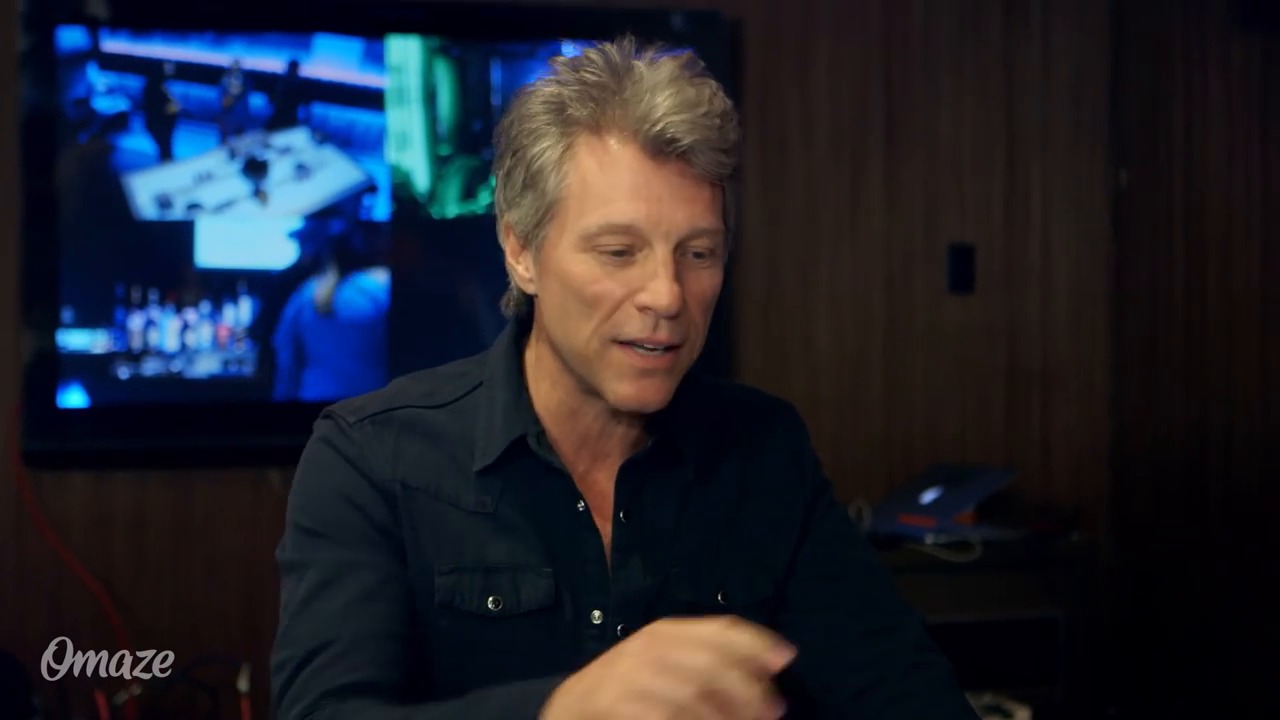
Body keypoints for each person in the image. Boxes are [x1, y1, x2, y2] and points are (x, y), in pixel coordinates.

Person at [270, 36, 980, 720]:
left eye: (698, 254)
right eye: (619, 251)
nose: (667, 295)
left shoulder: (764, 450)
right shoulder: (371, 459)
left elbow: (905, 694)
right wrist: (559, 711)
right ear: (521, 250)